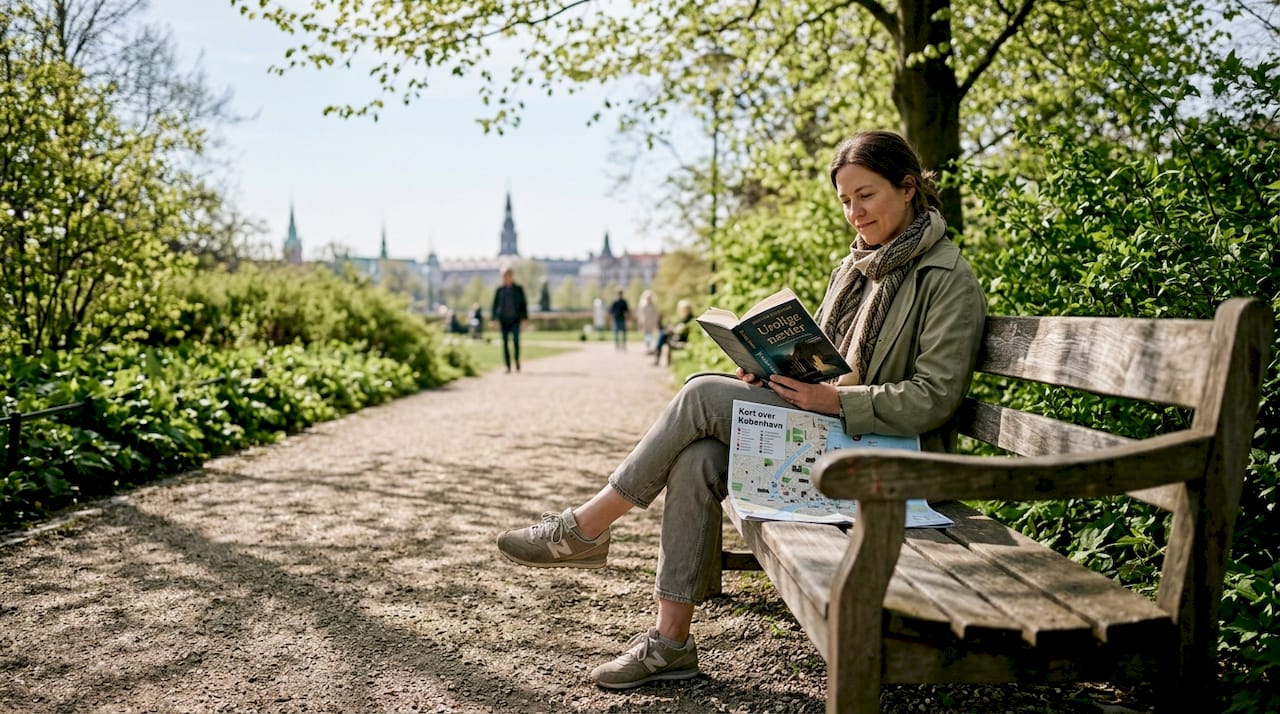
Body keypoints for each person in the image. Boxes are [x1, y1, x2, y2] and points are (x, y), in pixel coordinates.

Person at [496, 130, 987, 690]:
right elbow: (827, 362)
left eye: (866, 196)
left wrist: (837, 399)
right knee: (699, 457)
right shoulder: (854, 270)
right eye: (845, 200)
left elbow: (935, 397)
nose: (854, 213)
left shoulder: (947, 278)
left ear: (907, 189)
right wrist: (769, 367)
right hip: (832, 435)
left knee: (701, 395)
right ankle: (670, 643)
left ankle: (585, 528)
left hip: (890, 460)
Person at [491, 267, 529, 372]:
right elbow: (494, 305)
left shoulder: (518, 289)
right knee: (505, 343)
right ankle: (508, 366)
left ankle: (517, 362)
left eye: (507, 275)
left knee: (516, 341)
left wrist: (525, 318)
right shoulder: (499, 290)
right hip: (503, 320)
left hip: (515, 319)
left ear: (511, 276)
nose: (506, 278)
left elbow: (523, 304)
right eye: (504, 276)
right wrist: (493, 319)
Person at [653, 299, 694, 366]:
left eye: (683, 309)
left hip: (682, 339)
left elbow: (682, 330)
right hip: (678, 336)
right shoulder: (684, 318)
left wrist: (674, 330)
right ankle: (657, 354)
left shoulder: (690, 318)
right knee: (663, 334)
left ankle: (657, 354)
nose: (681, 311)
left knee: (663, 335)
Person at [637, 290, 661, 354]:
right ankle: (647, 347)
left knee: (650, 335)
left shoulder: (653, 306)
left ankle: (649, 347)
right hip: (645, 323)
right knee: (646, 335)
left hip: (651, 323)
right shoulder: (643, 305)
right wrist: (641, 322)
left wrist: (655, 322)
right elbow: (640, 314)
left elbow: (656, 315)